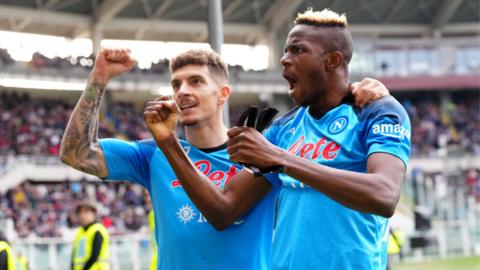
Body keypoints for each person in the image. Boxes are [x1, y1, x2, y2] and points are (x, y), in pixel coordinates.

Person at [60, 47, 388, 268]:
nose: (182, 91)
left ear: (223, 94)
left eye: (195, 81)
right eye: (176, 84)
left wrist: (364, 94)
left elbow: (328, 129)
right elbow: (76, 153)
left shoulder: (263, 151)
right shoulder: (151, 154)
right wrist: (99, 77)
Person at [146, 8, 411, 270]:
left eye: (297, 50)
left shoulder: (376, 111)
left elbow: (384, 195)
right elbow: (223, 210)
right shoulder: (283, 129)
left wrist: (281, 159)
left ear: (332, 60)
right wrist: (169, 142)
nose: (284, 59)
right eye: (285, 50)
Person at [71, 201, 110, 270]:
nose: (82, 215)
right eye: (80, 213)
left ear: (93, 214)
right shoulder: (79, 232)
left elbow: (95, 255)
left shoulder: (97, 230)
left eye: (86, 212)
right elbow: (74, 254)